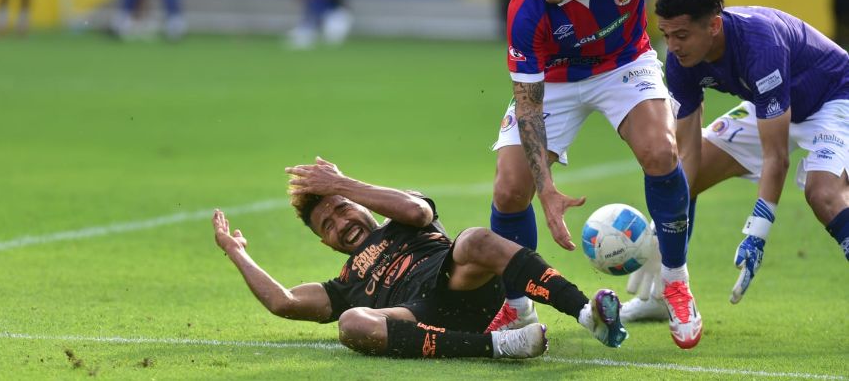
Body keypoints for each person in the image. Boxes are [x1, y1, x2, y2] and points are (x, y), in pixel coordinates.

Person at [486, 0, 755, 350]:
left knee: (660, 152)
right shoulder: (525, 8)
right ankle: (517, 305)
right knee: (510, 189)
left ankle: (675, 282)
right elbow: (529, 106)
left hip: (624, 64)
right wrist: (546, 188)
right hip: (555, 81)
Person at [212, 157, 629, 359]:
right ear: (326, 243)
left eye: (341, 209)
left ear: (360, 203)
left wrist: (341, 184)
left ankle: (587, 313)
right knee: (352, 322)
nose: (341, 223)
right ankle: (501, 346)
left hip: (460, 282)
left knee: (475, 239)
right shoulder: (344, 284)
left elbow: (417, 212)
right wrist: (236, 253)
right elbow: (283, 301)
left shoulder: (399, 216)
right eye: (328, 225)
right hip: (421, 316)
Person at [620, 0, 849, 322]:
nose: (673, 46)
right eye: (666, 35)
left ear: (713, 26)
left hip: (834, 98)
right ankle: (666, 291)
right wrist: (661, 229)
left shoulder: (762, 46)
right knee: (681, 181)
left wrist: (757, 233)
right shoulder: (680, 61)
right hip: (769, 104)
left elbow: (777, 157)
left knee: (824, 193)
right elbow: (687, 155)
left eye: (682, 35)